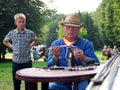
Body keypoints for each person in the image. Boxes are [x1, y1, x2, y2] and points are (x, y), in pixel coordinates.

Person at [46, 14, 100, 90]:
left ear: (78, 29)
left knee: (84, 87)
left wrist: (84, 58)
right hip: (61, 80)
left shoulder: (86, 44)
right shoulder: (56, 44)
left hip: (80, 79)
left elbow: (97, 63)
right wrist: (55, 57)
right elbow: (48, 66)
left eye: (74, 27)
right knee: (52, 87)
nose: (71, 30)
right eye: (68, 27)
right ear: (63, 27)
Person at [3, 13, 39, 90]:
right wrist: (11, 46)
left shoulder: (30, 33)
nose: (21, 23)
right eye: (19, 22)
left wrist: (31, 45)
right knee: (16, 82)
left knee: (28, 82)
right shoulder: (12, 33)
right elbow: (5, 41)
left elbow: (36, 39)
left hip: (27, 61)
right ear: (15, 22)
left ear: (25, 22)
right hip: (16, 61)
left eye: (23, 21)